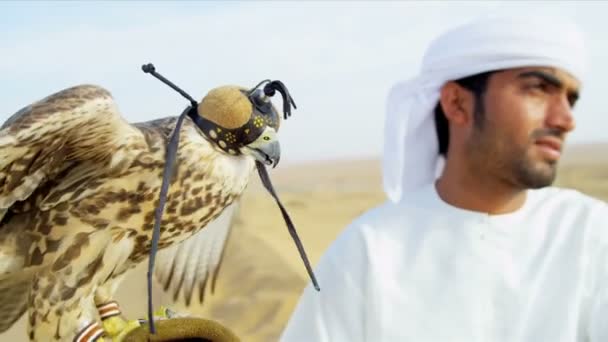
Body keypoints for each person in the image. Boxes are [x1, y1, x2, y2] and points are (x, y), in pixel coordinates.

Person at [280, 14, 608, 342]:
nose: (566, 119)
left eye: (571, 99)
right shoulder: (370, 251)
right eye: (538, 88)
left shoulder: (591, 233)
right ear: (457, 103)